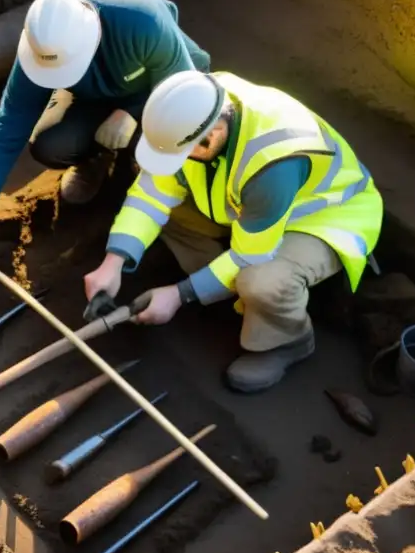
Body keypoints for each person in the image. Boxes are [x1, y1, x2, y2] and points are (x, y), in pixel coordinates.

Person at [84, 70, 383, 392]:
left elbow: (250, 255)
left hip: (325, 216)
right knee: (167, 210)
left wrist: (178, 294)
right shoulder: (191, 108)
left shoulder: (272, 165)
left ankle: (287, 341)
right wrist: (113, 261)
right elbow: (150, 194)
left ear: (211, 136)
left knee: (261, 280)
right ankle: (216, 283)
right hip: (249, 207)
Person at [0, 0, 210, 267]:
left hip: (167, 88)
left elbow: (183, 93)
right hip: (94, 97)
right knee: (51, 144)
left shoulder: (142, 22)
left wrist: (133, 112)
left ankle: (155, 201)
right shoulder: (42, 47)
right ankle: (95, 159)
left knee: (160, 149)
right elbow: (8, 124)